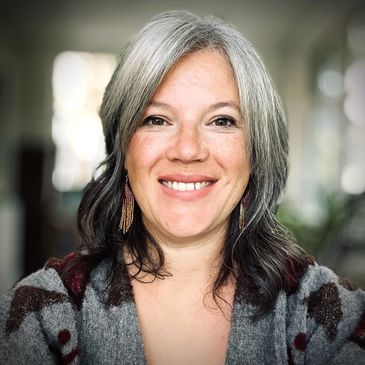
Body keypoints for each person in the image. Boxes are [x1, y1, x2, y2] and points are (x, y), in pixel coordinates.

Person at [1, 10, 364, 365]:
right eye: (156, 119)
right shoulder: (40, 315)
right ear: (124, 149)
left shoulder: (321, 313)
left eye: (221, 120)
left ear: (256, 151)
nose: (187, 150)